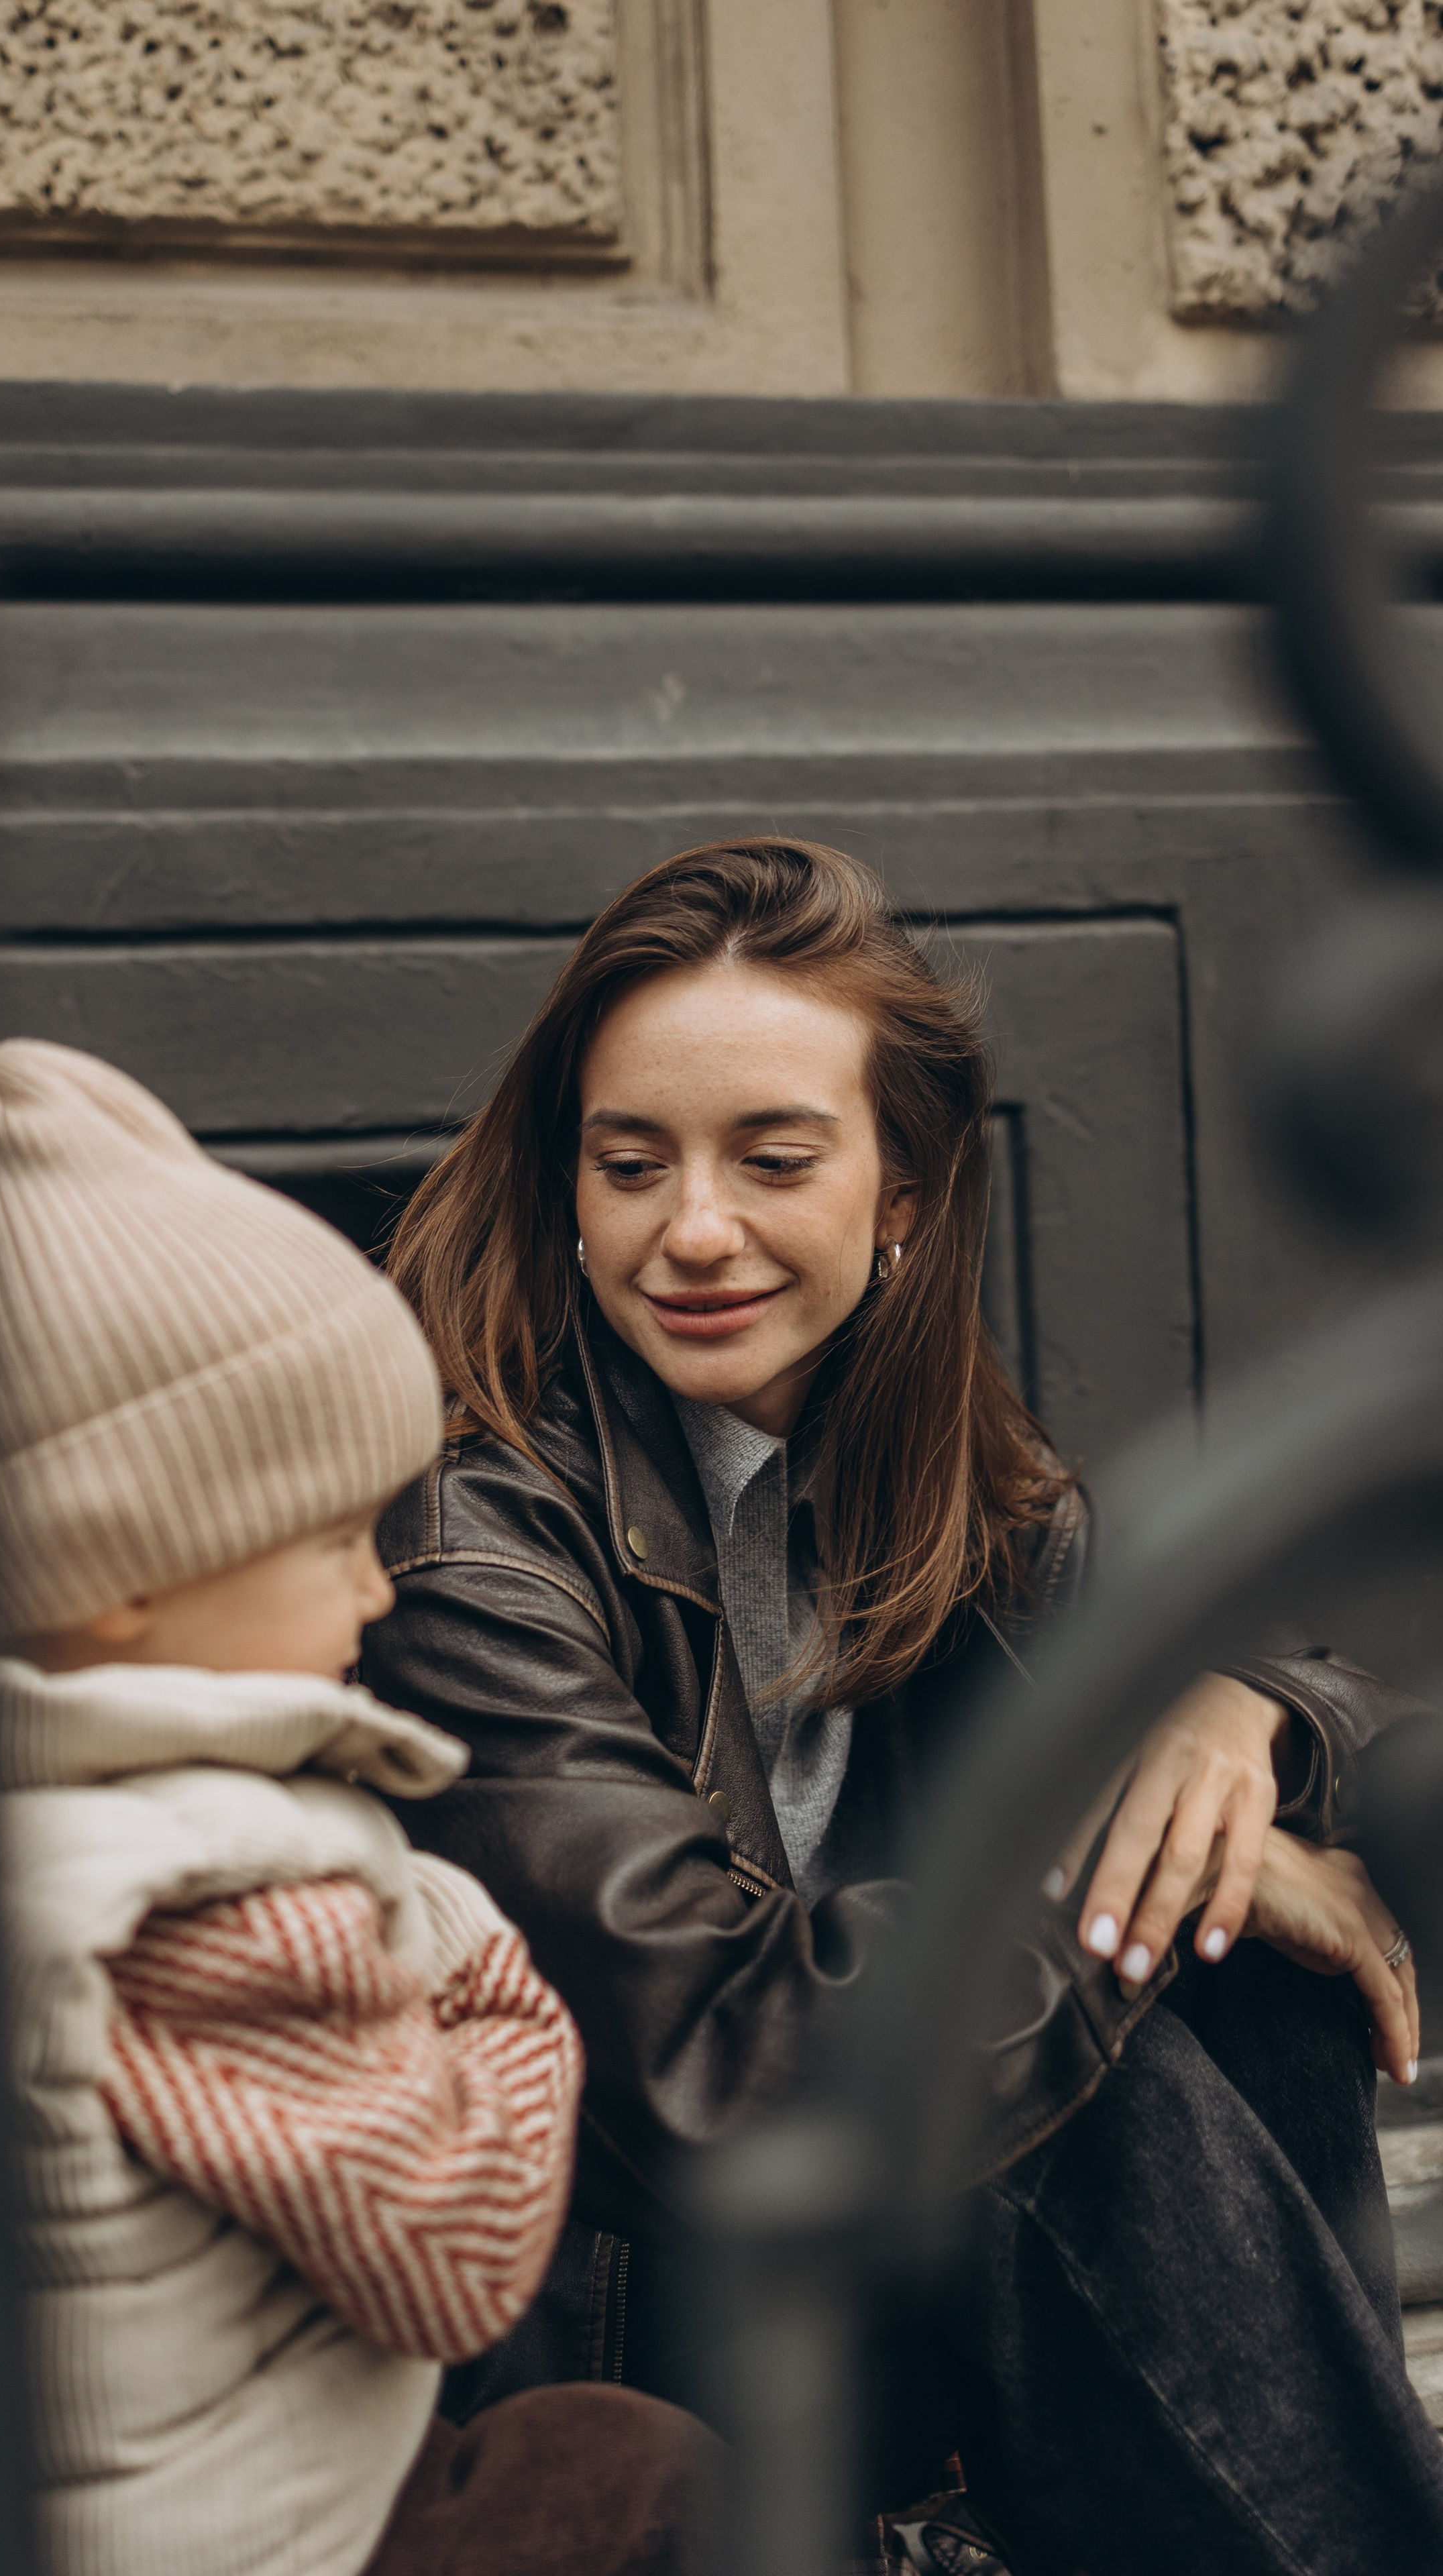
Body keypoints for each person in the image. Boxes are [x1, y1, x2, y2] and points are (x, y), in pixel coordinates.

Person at [362, 837, 1443, 2575]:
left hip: (870, 2281)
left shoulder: (924, 1479)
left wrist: (1248, 1719)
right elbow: (710, 2053)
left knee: (1227, 1952)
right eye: (629, 1162)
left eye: (772, 1158)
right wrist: (1142, 1908)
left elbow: (1358, 1718)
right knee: (1096, 2062)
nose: (690, 1229)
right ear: (570, 1183)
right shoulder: (470, 1534)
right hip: (631, 2333)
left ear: (906, 1198)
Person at [0, 1040, 716, 2576]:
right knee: (634, 2467)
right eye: (330, 1539)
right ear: (118, 1578)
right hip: (201, 2540)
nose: (378, 1587)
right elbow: (456, 2262)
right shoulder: (196, 1909)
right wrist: (466, 1948)